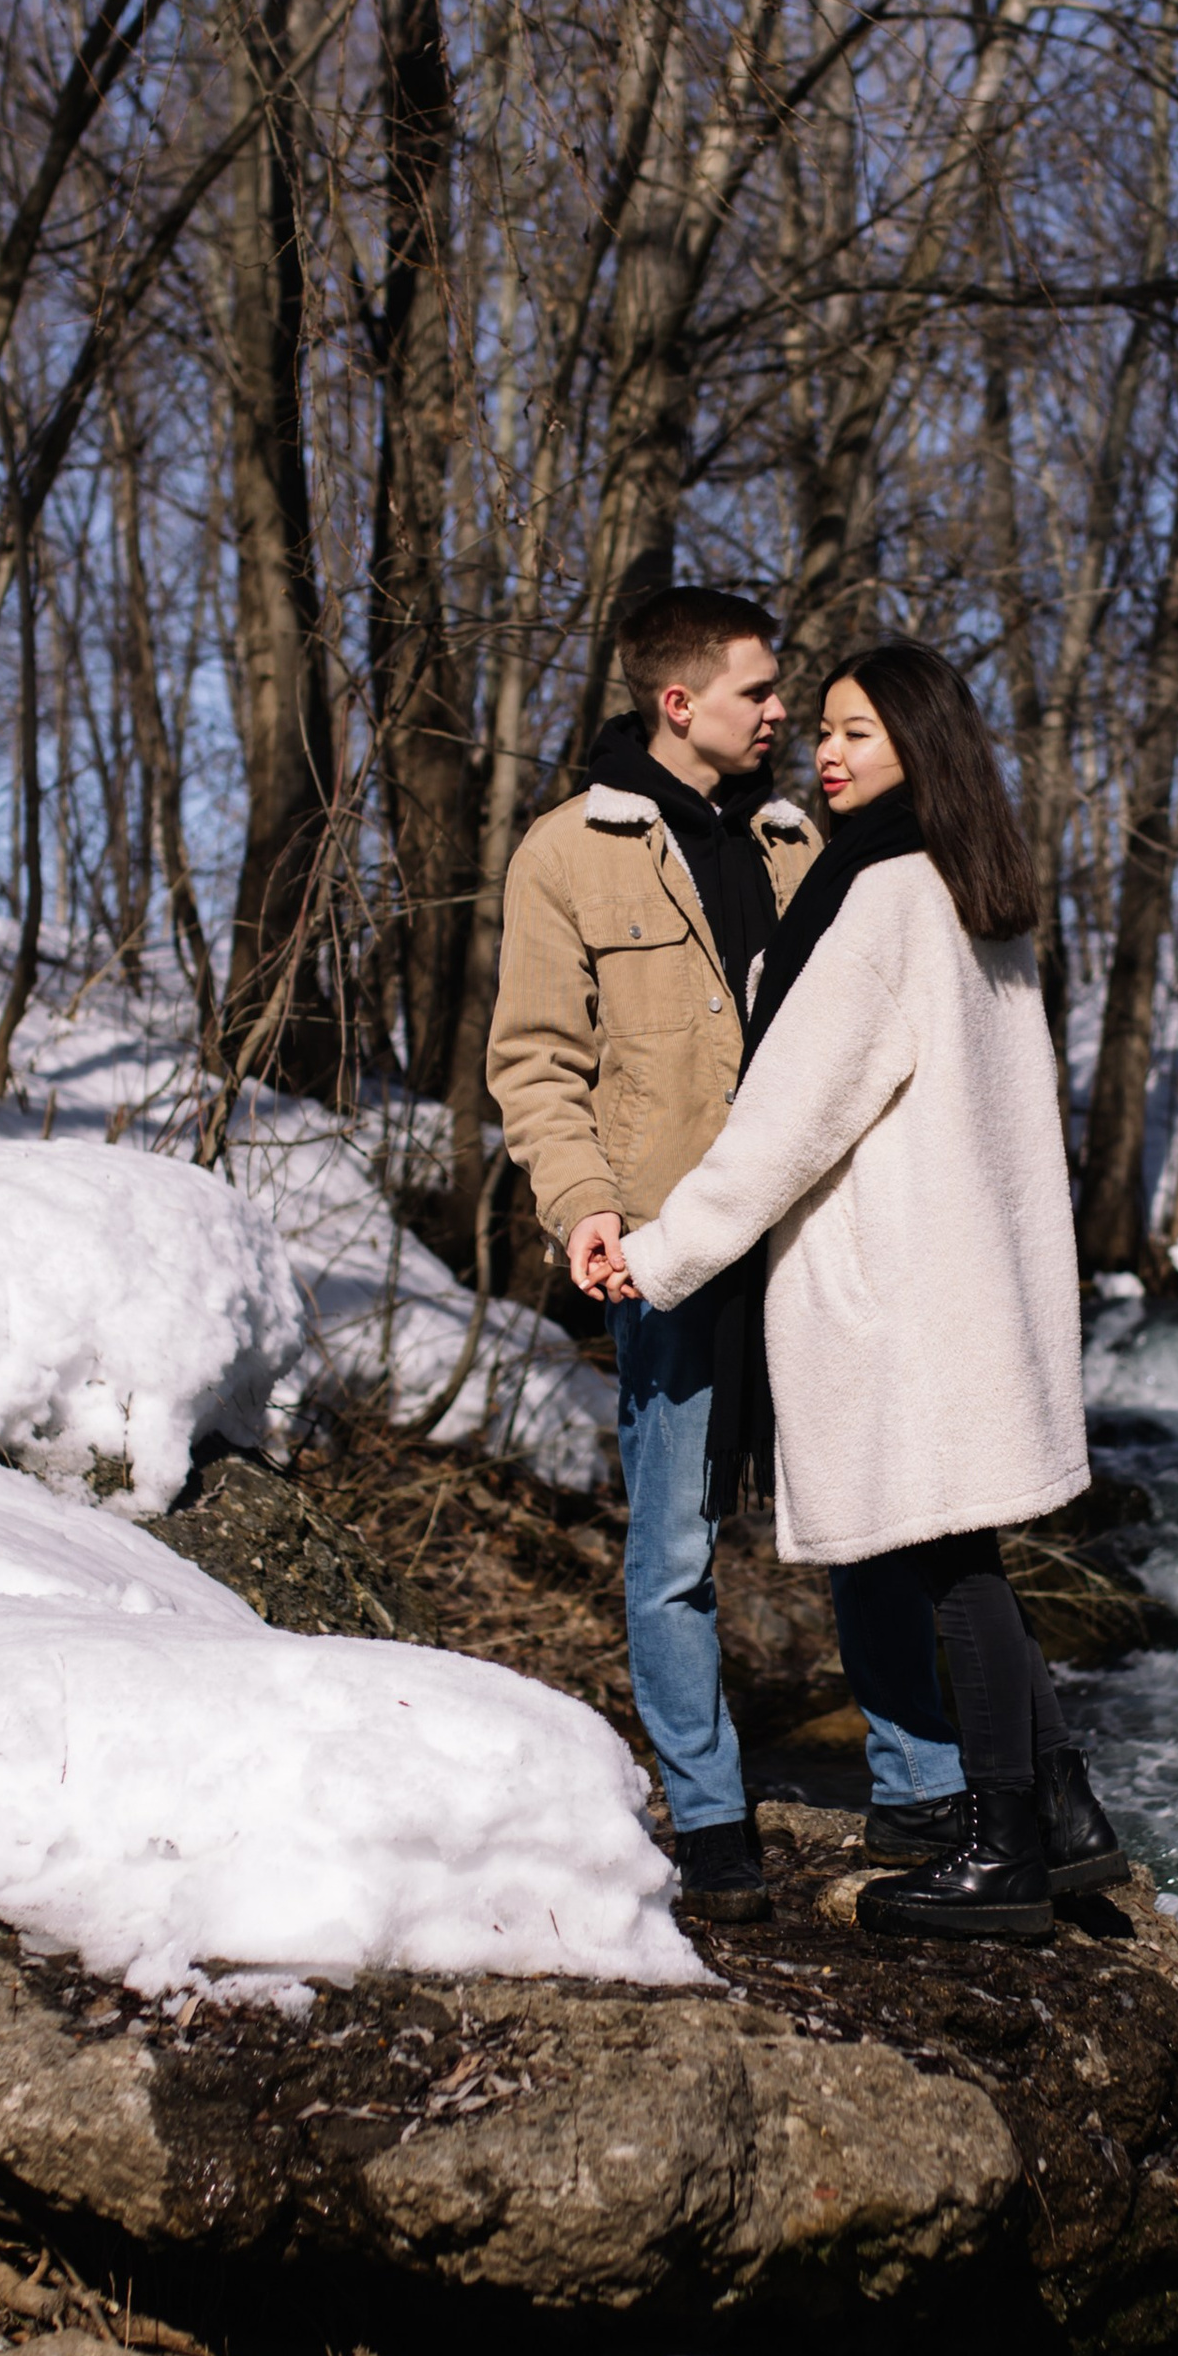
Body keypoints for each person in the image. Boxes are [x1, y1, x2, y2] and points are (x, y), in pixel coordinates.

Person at [609, 642, 1127, 1944]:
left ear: (921, 747)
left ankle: (1004, 1846)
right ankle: (1061, 1819)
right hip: (972, 1273)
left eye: (858, 734)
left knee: (949, 1559)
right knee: (971, 1550)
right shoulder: (974, 890)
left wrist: (667, 1255)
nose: (828, 755)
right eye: (825, 732)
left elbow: (792, 1117)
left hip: (900, 1281)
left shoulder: (885, 895)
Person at [486, 588, 972, 1923]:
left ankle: (921, 1786)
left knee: (868, 1509)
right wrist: (582, 1204)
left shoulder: (803, 844)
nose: (785, 715)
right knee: (677, 1543)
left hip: (818, 1236)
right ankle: (710, 1825)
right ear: (679, 702)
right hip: (668, 1242)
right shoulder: (565, 855)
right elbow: (537, 1061)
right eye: (762, 693)